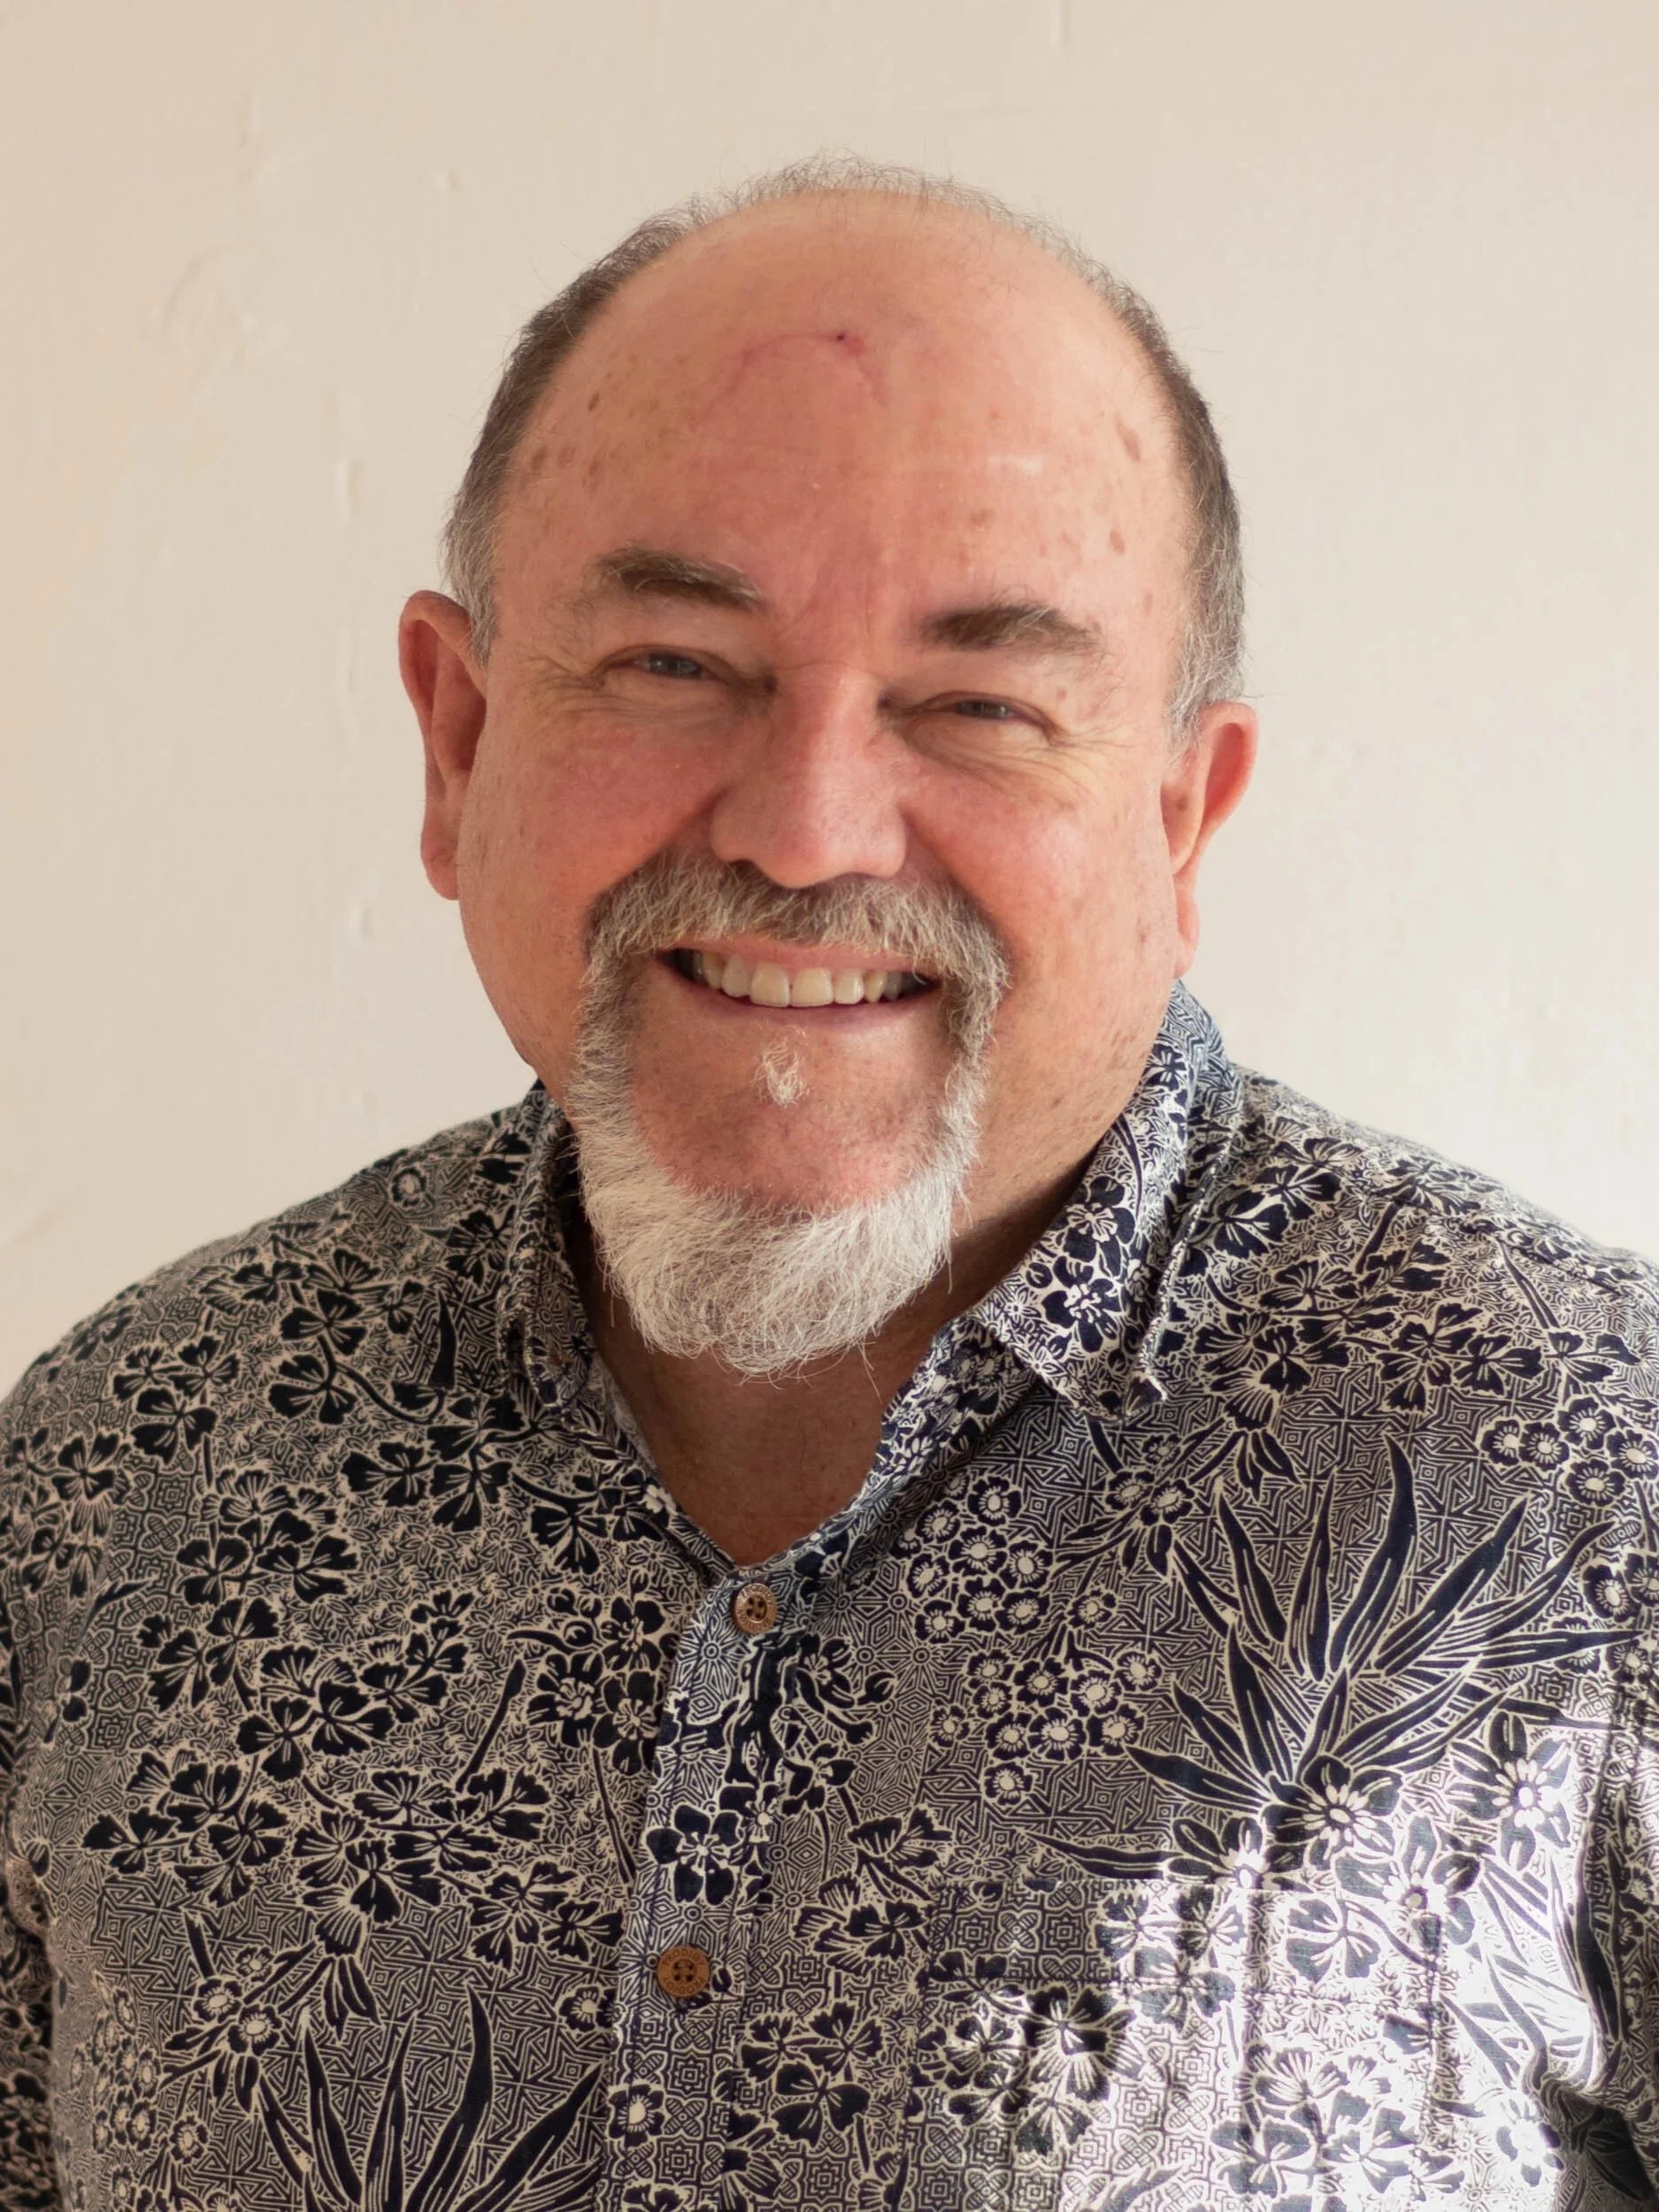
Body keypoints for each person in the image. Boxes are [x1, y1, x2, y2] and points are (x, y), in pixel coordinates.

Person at [3, 157, 1656, 2212]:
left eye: (977, 701)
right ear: (455, 738)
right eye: (676, 667)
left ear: (1177, 818)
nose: (800, 829)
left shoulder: (1585, 1477)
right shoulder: (105, 1479)